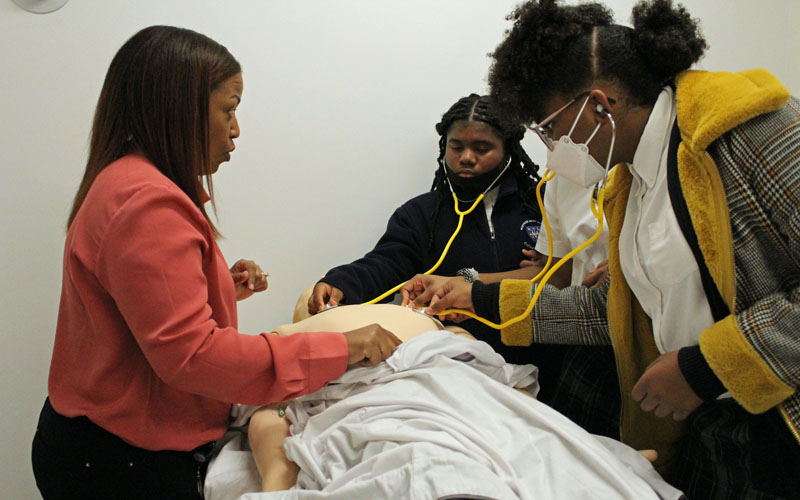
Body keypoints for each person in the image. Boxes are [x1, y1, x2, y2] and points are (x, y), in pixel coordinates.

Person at [407, 0, 800, 498]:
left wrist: (705, 366)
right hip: (710, 419)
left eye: (549, 128)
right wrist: (477, 297)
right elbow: (611, 310)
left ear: (600, 104)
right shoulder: (631, 183)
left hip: (781, 421)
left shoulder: (751, 132)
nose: (550, 148)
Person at [30, 25, 400, 500]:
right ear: (178, 108)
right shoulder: (145, 203)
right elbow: (193, 355)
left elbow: (142, 309)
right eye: (229, 109)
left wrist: (217, 285)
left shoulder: (126, 181)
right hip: (116, 463)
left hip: (103, 444)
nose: (236, 129)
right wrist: (338, 346)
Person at [307, 94, 571, 402]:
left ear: (508, 149)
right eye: (456, 146)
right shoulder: (422, 215)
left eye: (482, 148)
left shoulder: (543, 205)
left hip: (546, 369)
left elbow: (570, 277)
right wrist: (340, 283)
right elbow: (385, 262)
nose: (467, 157)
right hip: (460, 378)